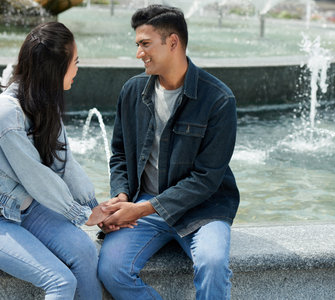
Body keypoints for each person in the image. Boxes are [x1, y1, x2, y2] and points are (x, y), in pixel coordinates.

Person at [97, 5, 240, 300]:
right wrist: (123, 195)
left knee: (213, 264)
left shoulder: (219, 99)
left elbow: (206, 179)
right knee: (110, 269)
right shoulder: (132, 91)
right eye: (138, 45)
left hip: (205, 209)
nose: (139, 53)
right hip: (145, 204)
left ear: (172, 42)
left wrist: (142, 209)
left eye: (145, 44)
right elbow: (120, 154)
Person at [0, 22, 107, 299]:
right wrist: (82, 216)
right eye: (75, 62)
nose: (77, 69)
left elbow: (65, 165)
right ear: (55, 69)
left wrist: (95, 208)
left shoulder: (45, 103)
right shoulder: (6, 114)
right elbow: (38, 178)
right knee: (61, 281)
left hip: (27, 209)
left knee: (86, 251)